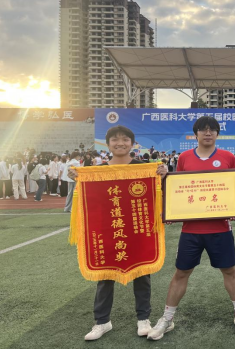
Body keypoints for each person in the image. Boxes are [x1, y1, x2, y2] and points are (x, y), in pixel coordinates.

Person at [148, 117, 235, 341]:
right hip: (191, 230)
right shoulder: (184, 158)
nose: (208, 133)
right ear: (195, 134)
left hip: (220, 228)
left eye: (212, 130)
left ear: (217, 134)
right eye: (203, 130)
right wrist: (171, 207)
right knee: (181, 272)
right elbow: (179, 189)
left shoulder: (227, 157)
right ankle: (167, 318)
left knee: (230, 270)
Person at [67, 126, 168, 341]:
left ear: (132, 144)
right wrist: (78, 177)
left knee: (142, 274)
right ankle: (102, 321)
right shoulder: (97, 171)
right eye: (115, 139)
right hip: (109, 230)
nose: (120, 143)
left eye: (125, 139)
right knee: (105, 276)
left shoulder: (144, 168)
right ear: (108, 144)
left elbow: (159, 195)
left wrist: (164, 174)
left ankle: (143, 319)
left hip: (137, 230)